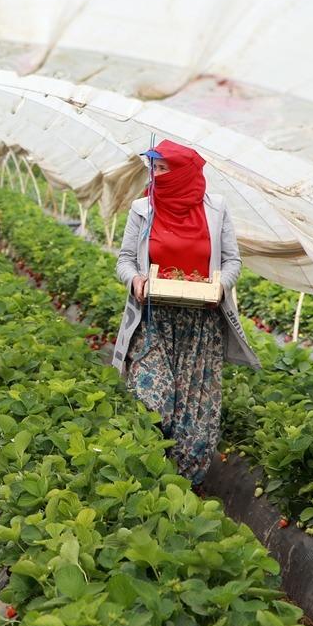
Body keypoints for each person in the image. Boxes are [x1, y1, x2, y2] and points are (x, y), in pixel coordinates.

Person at [110, 139, 260, 485]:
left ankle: (183, 486)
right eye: (154, 168)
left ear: (183, 172)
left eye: (163, 168)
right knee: (151, 399)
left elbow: (232, 261)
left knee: (196, 410)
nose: (156, 175)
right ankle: (149, 472)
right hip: (154, 319)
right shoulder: (143, 209)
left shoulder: (216, 210)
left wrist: (220, 286)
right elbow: (125, 260)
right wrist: (135, 281)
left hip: (201, 323)